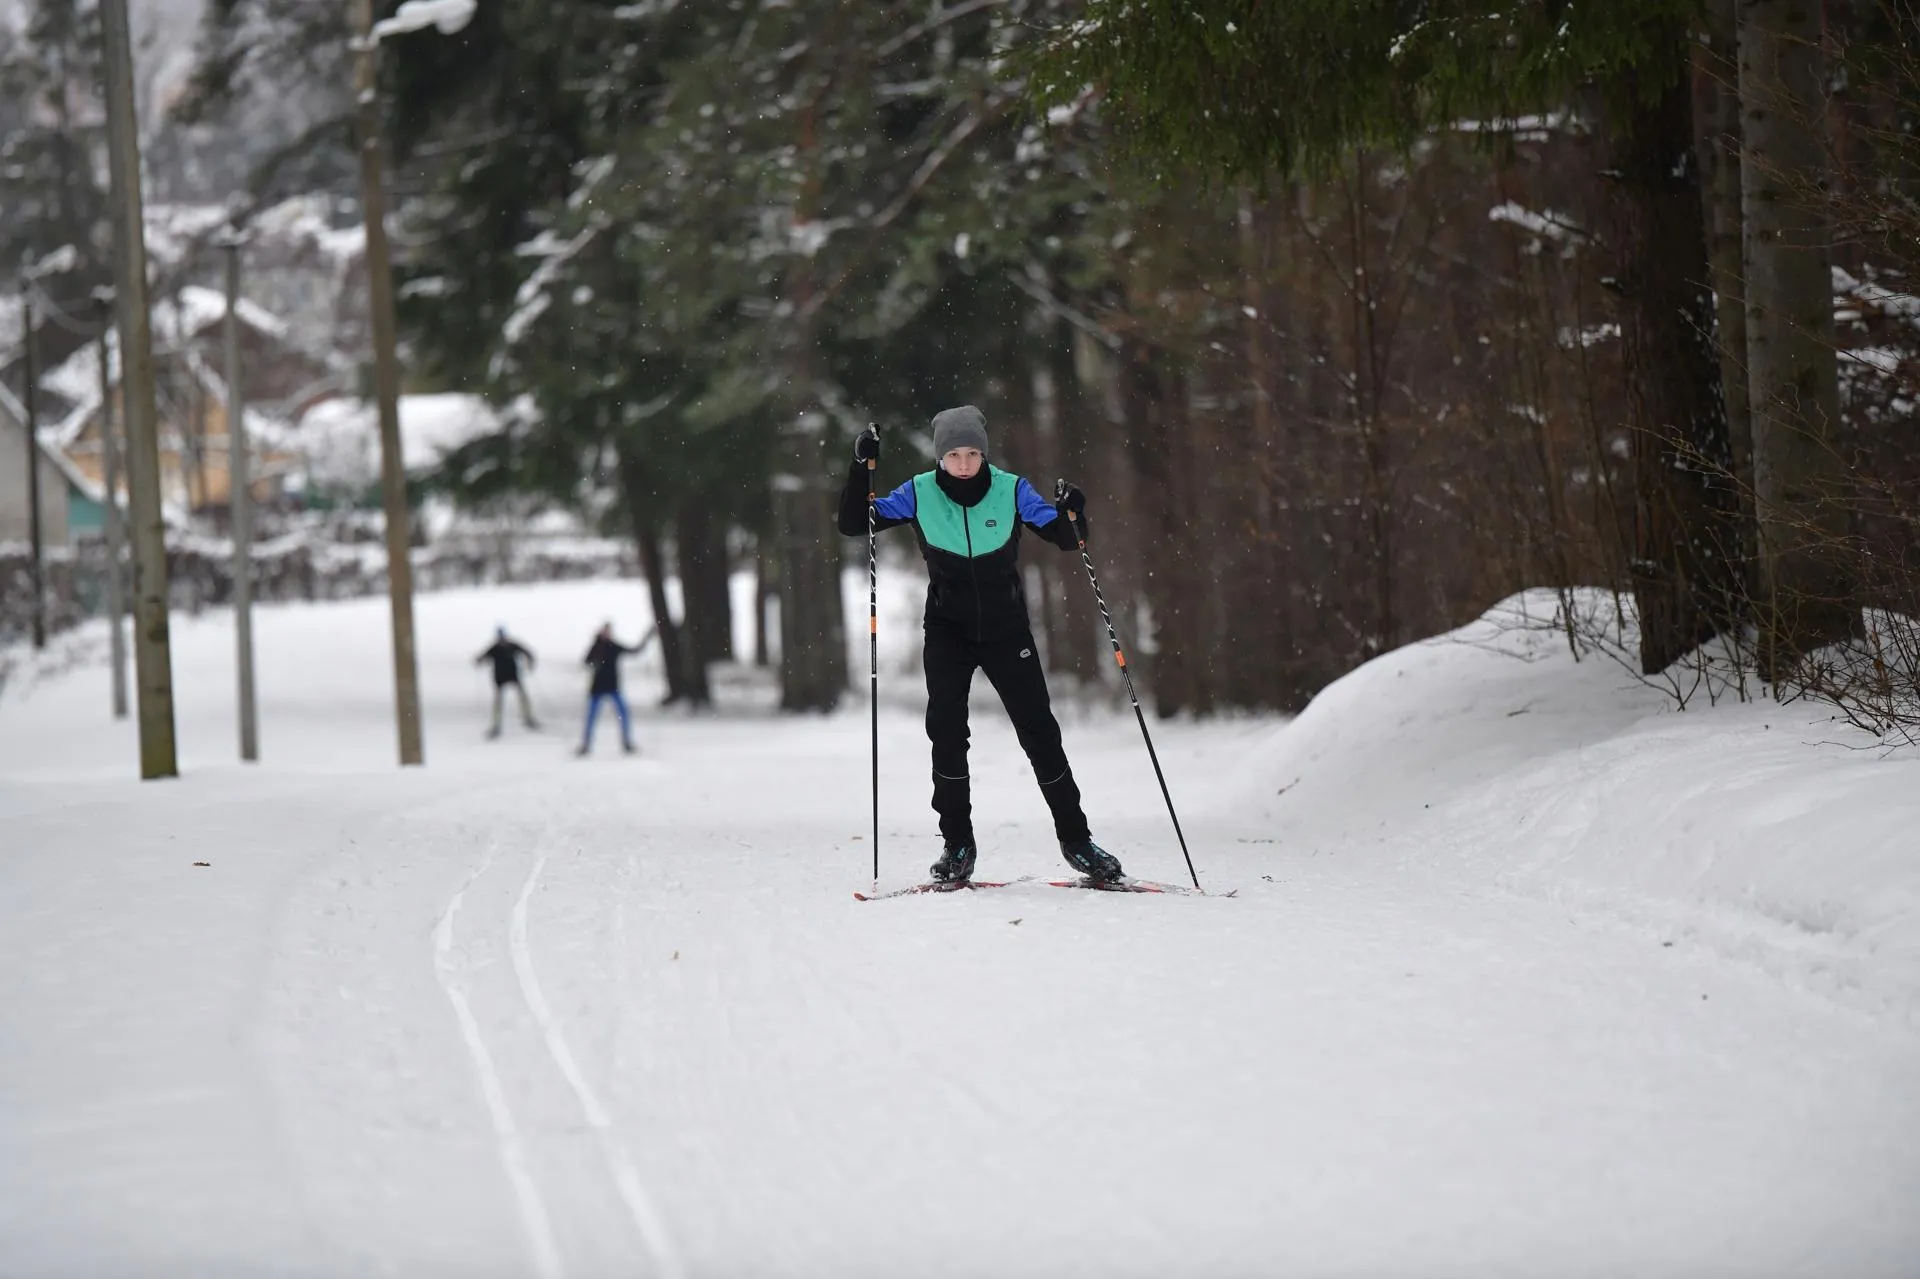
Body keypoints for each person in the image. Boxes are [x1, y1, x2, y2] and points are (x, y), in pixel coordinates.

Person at [836, 404, 1125, 885]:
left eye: (972, 453)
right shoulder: (919, 492)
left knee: (1039, 731)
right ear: (940, 457)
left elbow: (1067, 537)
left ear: (984, 454)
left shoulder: (1011, 489)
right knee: (947, 734)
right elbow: (854, 522)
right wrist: (858, 466)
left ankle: (1078, 842)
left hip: (1005, 628)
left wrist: (1075, 509)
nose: (965, 463)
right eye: (954, 454)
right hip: (947, 629)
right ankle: (958, 846)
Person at [578, 622, 652, 756]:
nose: (606, 634)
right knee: (591, 717)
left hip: (613, 687)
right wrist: (595, 662)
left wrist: (646, 638)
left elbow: (635, 650)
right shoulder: (596, 646)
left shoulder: (614, 646)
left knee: (623, 714)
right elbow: (586, 661)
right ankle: (586, 745)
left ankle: (626, 743)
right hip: (598, 688)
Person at [475, 626, 538, 738]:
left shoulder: (513, 645)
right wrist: (479, 661)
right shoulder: (494, 648)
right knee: (498, 702)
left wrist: (530, 663)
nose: (502, 640)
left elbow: (527, 652)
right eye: (500, 638)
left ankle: (528, 718)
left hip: (513, 676)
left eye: (503, 637)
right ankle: (496, 725)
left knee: (523, 697)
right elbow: (482, 657)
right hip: (500, 678)